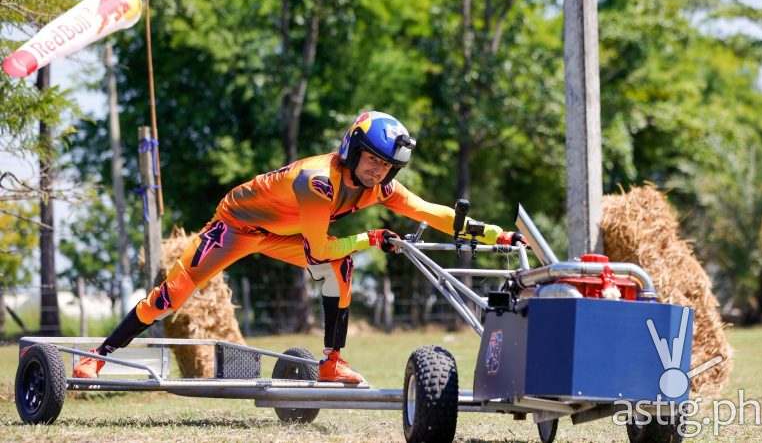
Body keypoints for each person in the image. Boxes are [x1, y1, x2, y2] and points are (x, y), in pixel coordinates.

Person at [73, 111, 525, 383]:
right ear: (352, 150)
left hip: (285, 235)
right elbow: (319, 248)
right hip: (236, 226)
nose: (377, 172)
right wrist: (370, 238)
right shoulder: (318, 182)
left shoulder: (380, 187)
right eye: (372, 159)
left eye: (387, 166)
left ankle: (332, 362)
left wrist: (497, 235)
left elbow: (432, 212)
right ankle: (98, 359)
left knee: (342, 268)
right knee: (169, 296)